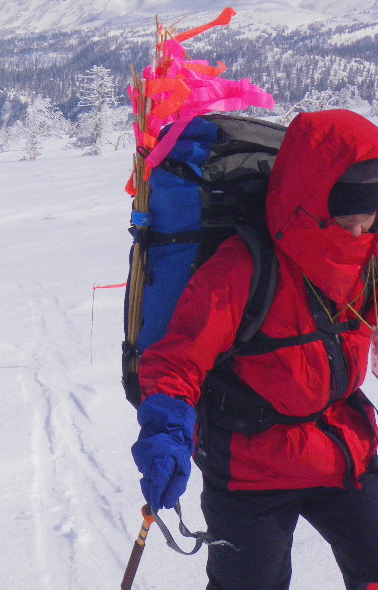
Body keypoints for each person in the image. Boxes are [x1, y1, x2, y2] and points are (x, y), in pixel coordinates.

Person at [132, 109, 378, 590]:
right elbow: (177, 359)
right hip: (251, 468)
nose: (359, 225)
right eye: (346, 208)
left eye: (370, 210)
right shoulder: (243, 267)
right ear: (314, 197)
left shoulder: (367, 256)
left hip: (342, 446)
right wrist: (167, 433)